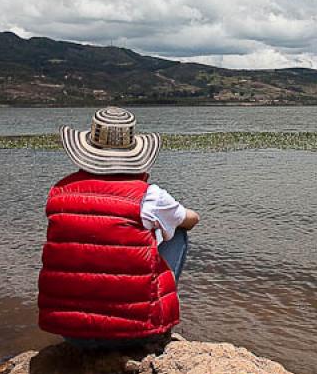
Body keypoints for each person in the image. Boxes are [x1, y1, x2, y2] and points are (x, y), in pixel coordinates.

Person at [37, 107, 199, 348]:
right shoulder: (149, 196)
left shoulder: (59, 192)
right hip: (132, 335)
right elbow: (191, 219)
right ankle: (153, 320)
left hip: (70, 333)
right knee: (178, 233)